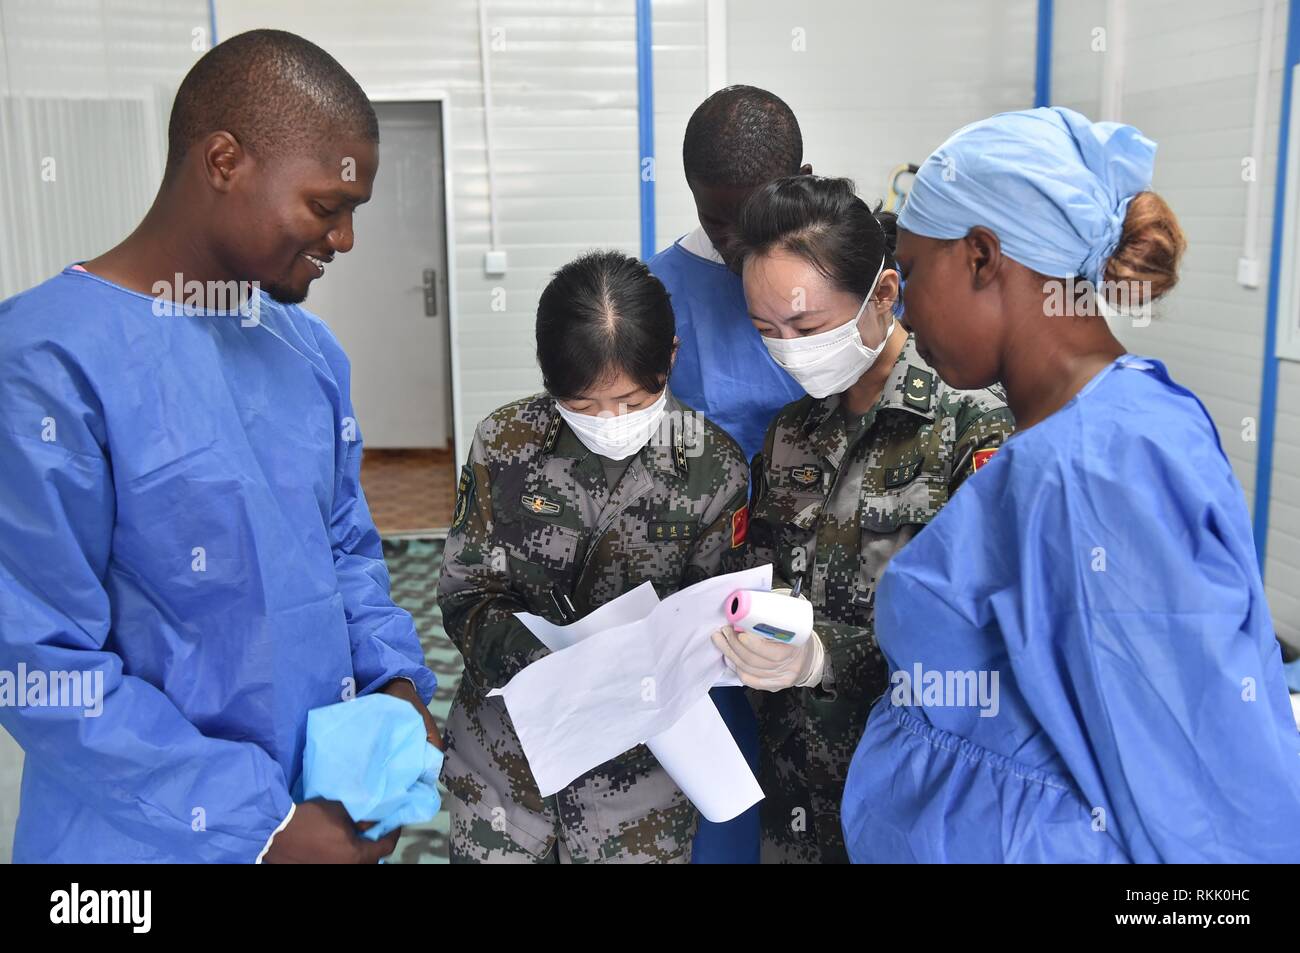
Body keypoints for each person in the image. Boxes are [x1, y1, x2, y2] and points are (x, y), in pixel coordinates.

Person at [0, 29, 439, 864]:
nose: (343, 240)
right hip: (139, 843)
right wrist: (257, 827)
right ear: (225, 160)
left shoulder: (306, 351)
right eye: (326, 205)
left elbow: (347, 548)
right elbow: (38, 661)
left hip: (321, 805)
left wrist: (395, 681)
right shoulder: (45, 365)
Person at [841, 106, 1300, 862]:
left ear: (984, 256)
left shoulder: (1096, 464)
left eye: (914, 271)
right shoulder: (1080, 432)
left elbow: (1194, 777)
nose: (905, 306)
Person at [712, 176, 1014, 863]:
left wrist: (824, 657)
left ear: (882, 295)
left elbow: (982, 648)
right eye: (766, 331)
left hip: (910, 797)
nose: (788, 349)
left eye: (808, 328)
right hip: (789, 794)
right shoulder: (789, 432)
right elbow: (762, 573)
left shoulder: (971, 428)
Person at [437, 250, 750, 863]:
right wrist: (540, 667)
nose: (610, 420)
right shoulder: (505, 443)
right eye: (583, 405)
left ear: (671, 361)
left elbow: (719, 617)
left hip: (636, 787)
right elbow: (466, 591)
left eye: (633, 402)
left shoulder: (712, 466)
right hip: (505, 763)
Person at [647, 84, 809, 862]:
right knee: (727, 797)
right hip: (716, 584)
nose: (736, 242)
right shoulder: (662, 291)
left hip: (830, 567)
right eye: (717, 220)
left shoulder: (841, 271)